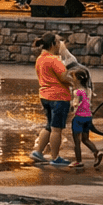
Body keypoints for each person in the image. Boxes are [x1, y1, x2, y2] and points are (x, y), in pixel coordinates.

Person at [29, 32, 76, 166]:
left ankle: (38, 152)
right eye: (58, 41)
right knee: (56, 129)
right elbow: (64, 76)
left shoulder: (40, 59)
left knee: (49, 126)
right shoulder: (54, 59)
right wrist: (75, 81)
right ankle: (55, 158)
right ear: (53, 44)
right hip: (58, 97)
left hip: (45, 96)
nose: (60, 44)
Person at [69, 69, 103, 168]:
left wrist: (71, 106)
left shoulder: (77, 92)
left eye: (73, 78)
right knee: (85, 139)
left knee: (77, 141)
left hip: (78, 118)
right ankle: (96, 152)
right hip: (88, 117)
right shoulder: (89, 90)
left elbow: (76, 104)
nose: (72, 80)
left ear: (77, 79)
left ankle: (78, 161)